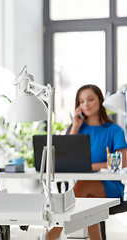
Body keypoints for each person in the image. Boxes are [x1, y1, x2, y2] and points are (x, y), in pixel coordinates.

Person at [48, 84, 127, 240]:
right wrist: (76, 126)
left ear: (100, 100)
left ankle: (53, 234)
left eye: (90, 99)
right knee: (89, 201)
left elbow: (123, 161)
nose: (86, 104)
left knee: (83, 183)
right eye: (81, 101)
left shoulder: (113, 129)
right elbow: (66, 157)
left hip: (110, 188)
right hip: (85, 191)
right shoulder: (77, 128)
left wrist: (92, 167)